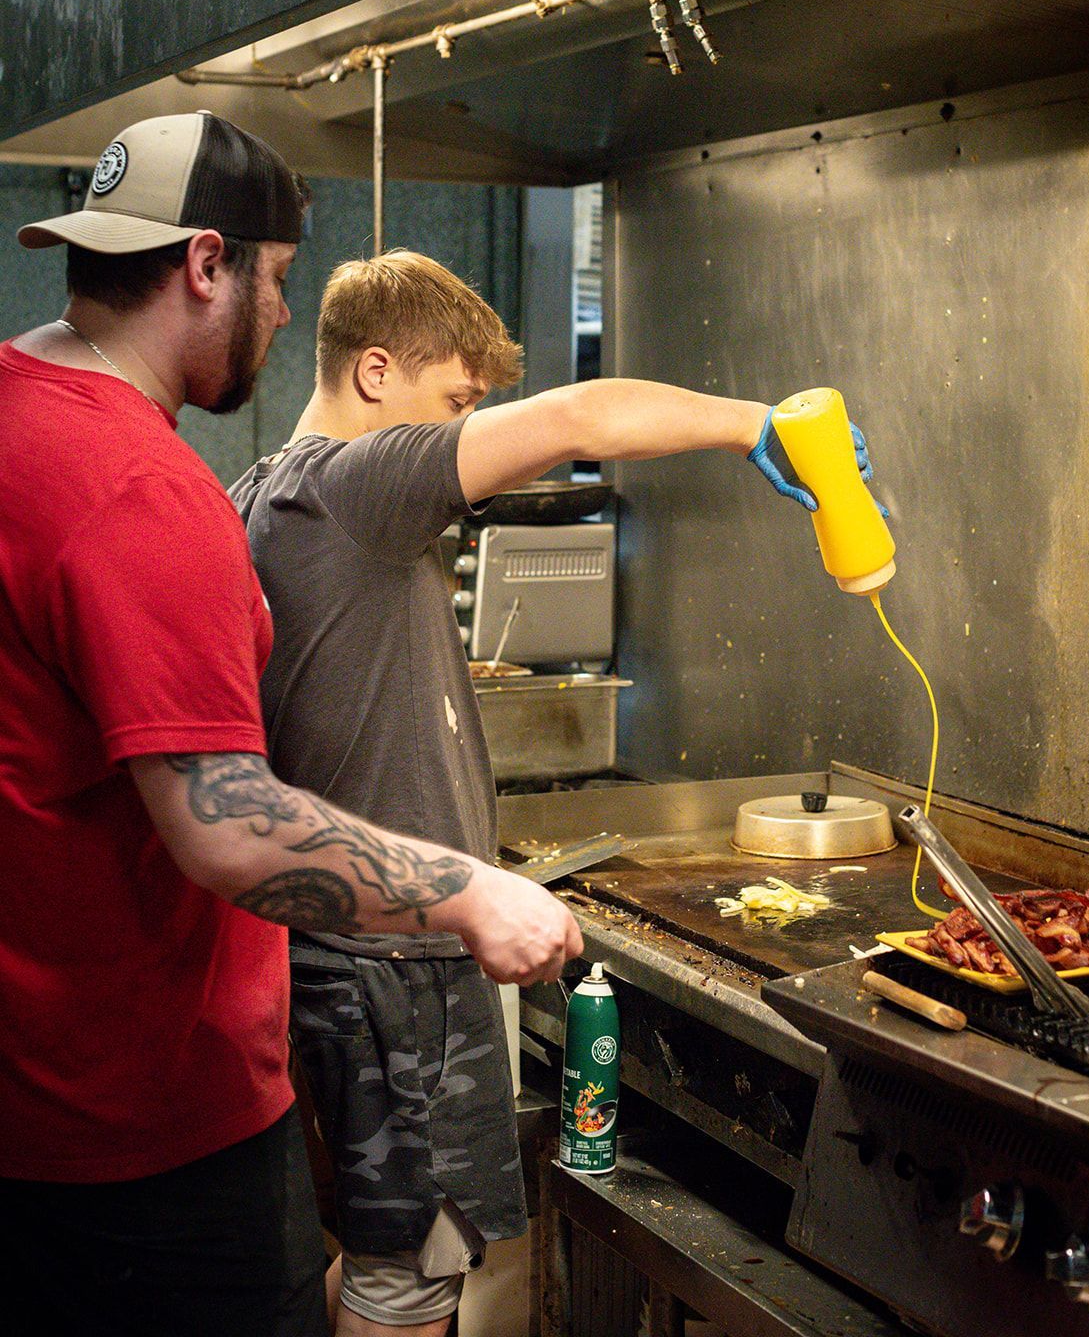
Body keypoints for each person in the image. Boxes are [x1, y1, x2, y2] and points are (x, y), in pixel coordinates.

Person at [230, 249, 880, 1337]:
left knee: (383, 1265)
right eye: (457, 402)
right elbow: (584, 416)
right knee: (407, 1281)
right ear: (375, 370)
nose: (464, 430)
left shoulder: (268, 488)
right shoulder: (348, 484)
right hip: (396, 977)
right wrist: (755, 423)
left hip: (360, 962)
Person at [0, 121, 581, 1337]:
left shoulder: (18, 417)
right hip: (145, 1121)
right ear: (205, 262)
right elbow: (225, 824)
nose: (277, 315)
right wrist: (468, 890)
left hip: (40, 1096)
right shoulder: (142, 488)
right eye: (273, 280)